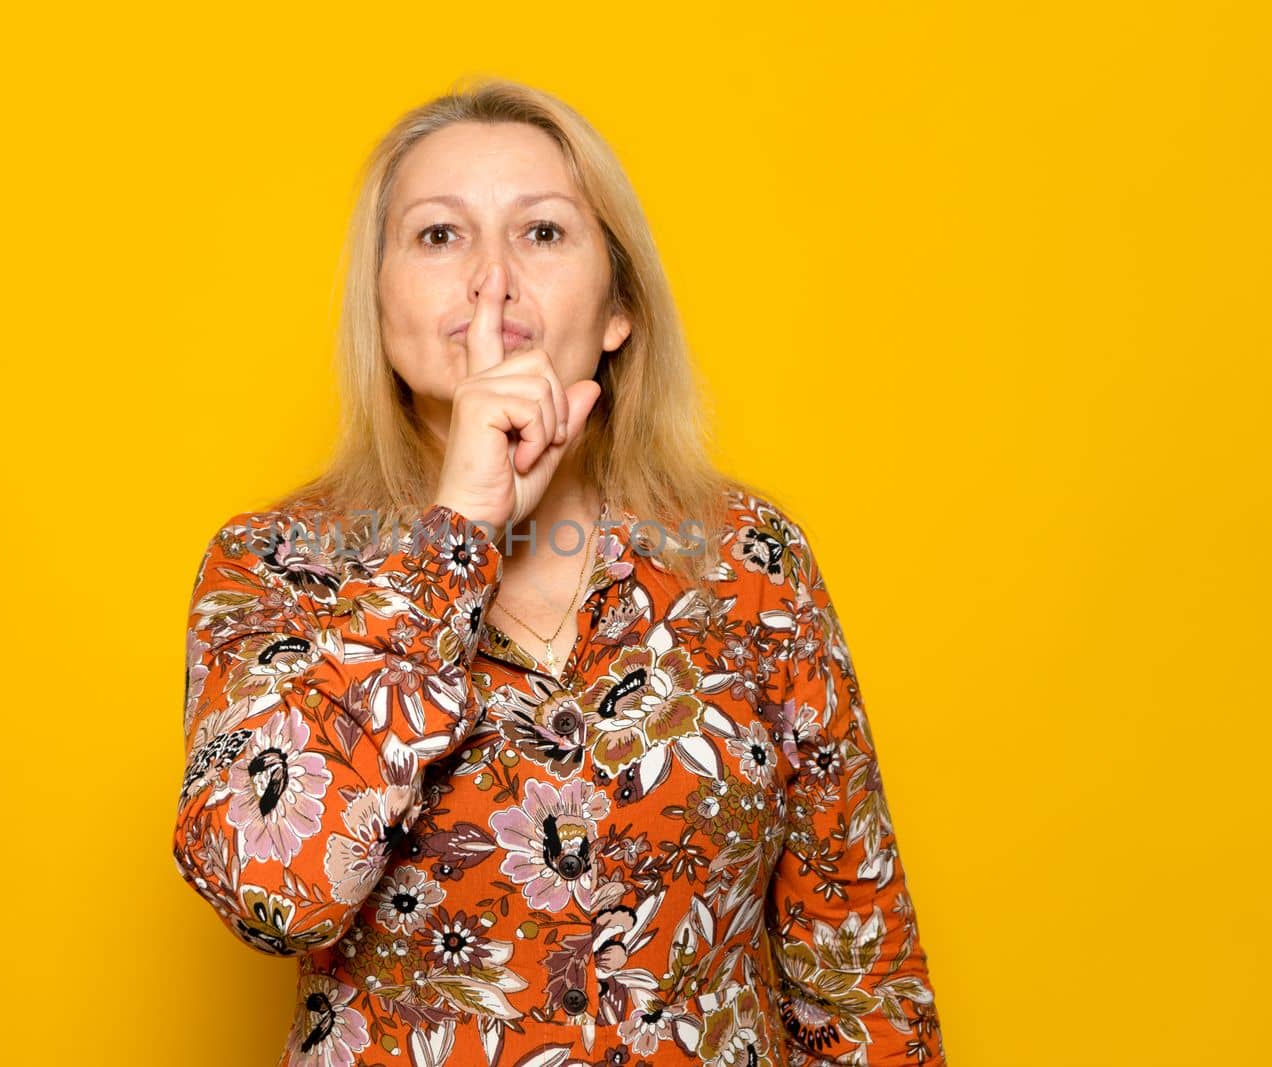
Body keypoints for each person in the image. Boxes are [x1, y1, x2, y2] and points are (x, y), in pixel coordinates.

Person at [173, 77, 946, 1067]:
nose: (490, 280)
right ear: (380, 299)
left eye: (541, 233)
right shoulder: (272, 564)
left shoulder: (748, 560)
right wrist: (459, 530)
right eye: (438, 236)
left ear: (617, 306)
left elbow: (860, 966)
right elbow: (272, 887)